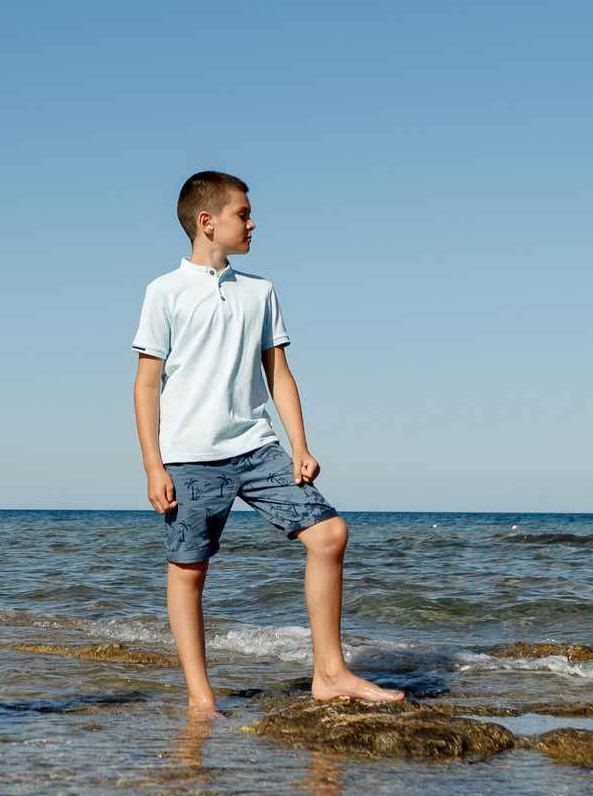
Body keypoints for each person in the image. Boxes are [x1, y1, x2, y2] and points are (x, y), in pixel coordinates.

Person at [132, 172, 400, 716]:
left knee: (329, 534)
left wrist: (300, 444)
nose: (253, 223)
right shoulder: (164, 291)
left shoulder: (261, 291)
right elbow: (145, 384)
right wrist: (153, 466)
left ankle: (330, 672)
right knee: (189, 569)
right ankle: (201, 698)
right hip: (189, 455)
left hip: (258, 448)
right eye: (243, 213)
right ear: (208, 222)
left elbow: (279, 374)